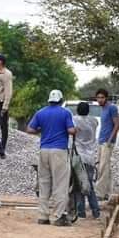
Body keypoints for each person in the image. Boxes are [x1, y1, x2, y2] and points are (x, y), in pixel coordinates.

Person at [26, 89, 76, 226]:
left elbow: (30, 129)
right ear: (61, 100)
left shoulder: (40, 112)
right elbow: (71, 130)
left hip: (44, 151)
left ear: (49, 100)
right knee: (60, 184)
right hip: (59, 151)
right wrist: (74, 131)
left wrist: (42, 130)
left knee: (44, 183)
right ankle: (57, 216)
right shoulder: (65, 113)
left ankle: (43, 215)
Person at [73, 102, 101, 219]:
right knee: (89, 185)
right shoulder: (94, 121)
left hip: (78, 157)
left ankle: (81, 212)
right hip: (90, 157)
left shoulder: (75, 120)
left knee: (79, 185)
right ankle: (95, 211)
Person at [95, 89, 119, 201]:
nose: (100, 99)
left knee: (102, 168)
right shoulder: (103, 109)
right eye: (98, 97)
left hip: (107, 141)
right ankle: (108, 192)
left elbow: (117, 125)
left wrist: (110, 139)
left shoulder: (112, 108)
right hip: (101, 140)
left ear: (106, 98)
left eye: (102, 97)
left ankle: (99, 193)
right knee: (105, 167)